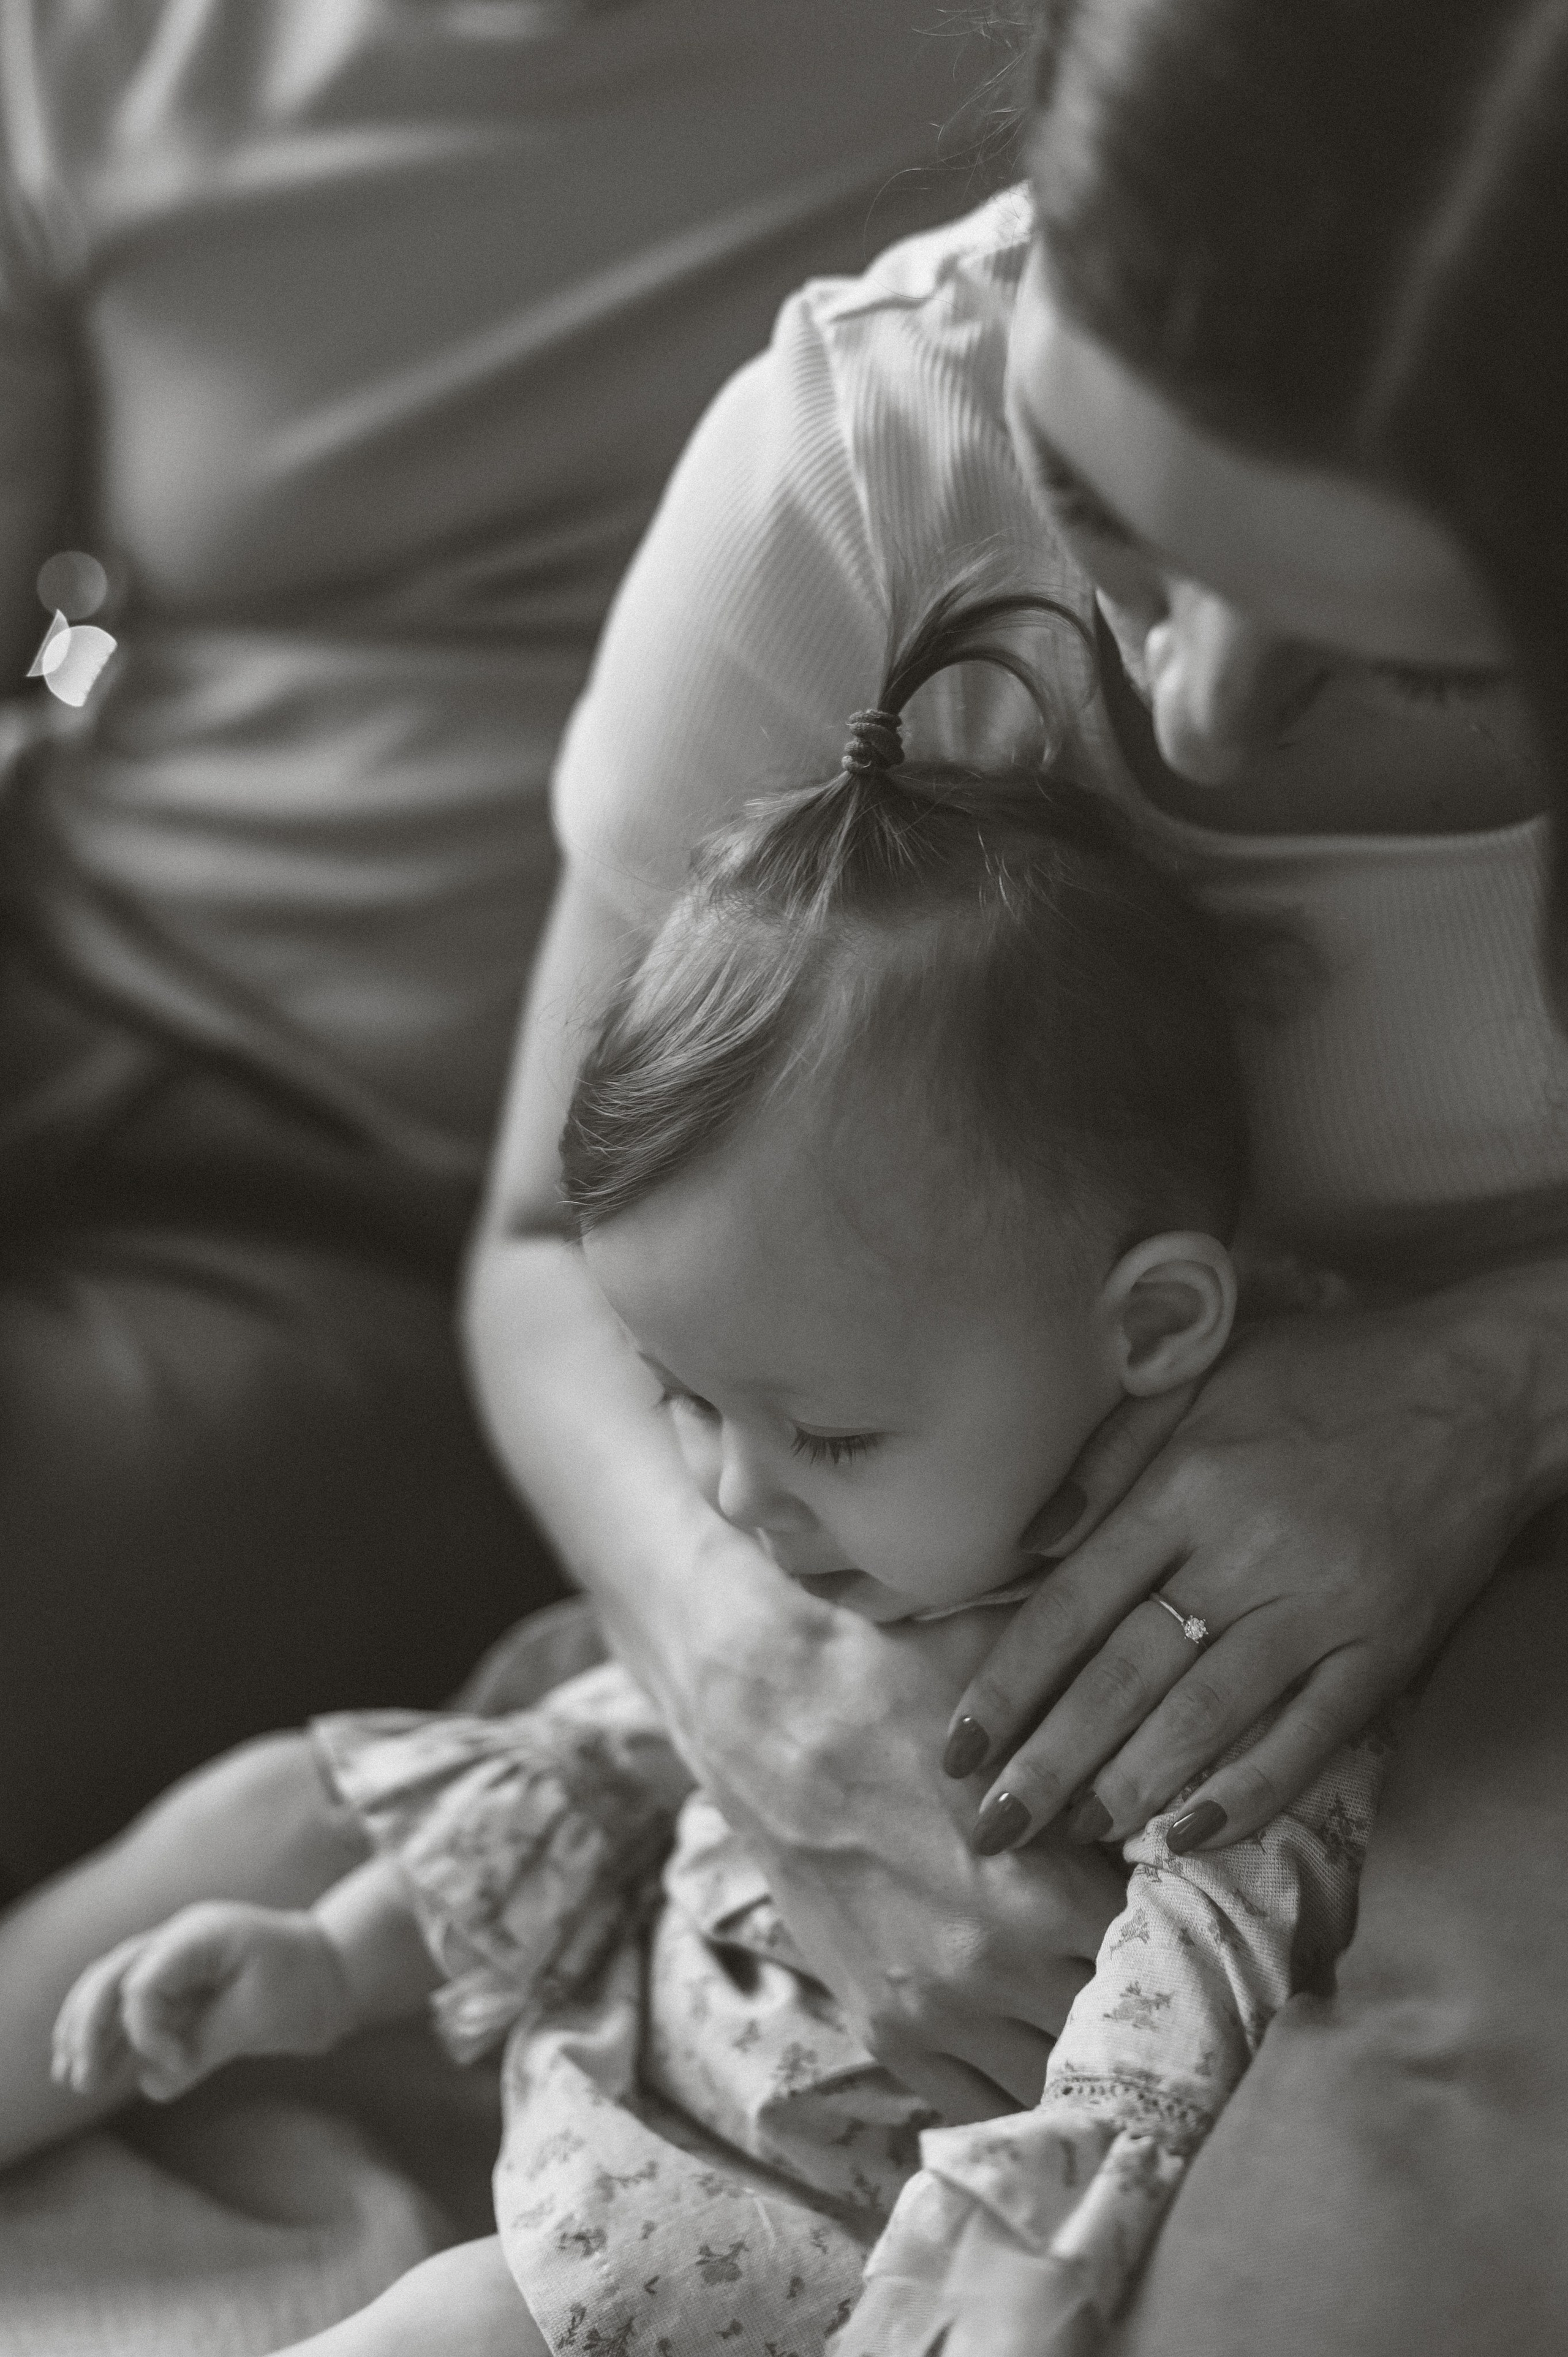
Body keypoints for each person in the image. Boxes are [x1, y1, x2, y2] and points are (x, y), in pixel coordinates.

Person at [457, 2, 1568, 2348]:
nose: (1190, 710)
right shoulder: (855, 467)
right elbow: (549, 1249)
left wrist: (1502, 1381)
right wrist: (777, 1696)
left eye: (1417, 663)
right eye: (1115, 520)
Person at [43, 597, 1387, 2356]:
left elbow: (1176, 2024)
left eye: (827, 1433)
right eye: (682, 1401)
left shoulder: (1196, 1652)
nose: (739, 1505)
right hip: (617, 2064)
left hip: (743, 2234)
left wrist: (1008, 2271)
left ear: (1148, 1327)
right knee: (298, 1800)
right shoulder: (874, 1533)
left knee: (456, 2325)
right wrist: (335, 1967)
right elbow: (599, 1768)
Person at [0, 0, 1007, 1893]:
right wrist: (69, 672)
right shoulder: (86, 49)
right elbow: (36, 624)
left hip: (414, 1190)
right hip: (66, 940)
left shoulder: (980, 68)